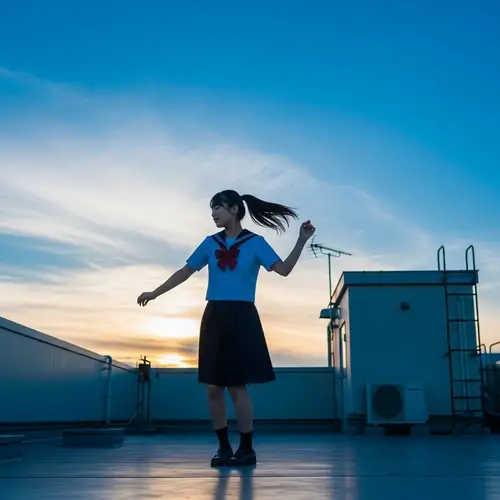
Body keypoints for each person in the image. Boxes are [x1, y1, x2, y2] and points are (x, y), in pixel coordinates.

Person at [137, 189, 315, 467]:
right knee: (213, 388)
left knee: (236, 387)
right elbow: (185, 271)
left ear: (234, 209)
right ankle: (223, 448)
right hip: (215, 315)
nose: (213, 214)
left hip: (242, 315)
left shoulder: (256, 243)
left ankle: (246, 449)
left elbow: (283, 270)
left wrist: (302, 241)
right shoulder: (210, 243)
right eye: (211, 210)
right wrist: (155, 292)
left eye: (217, 208)